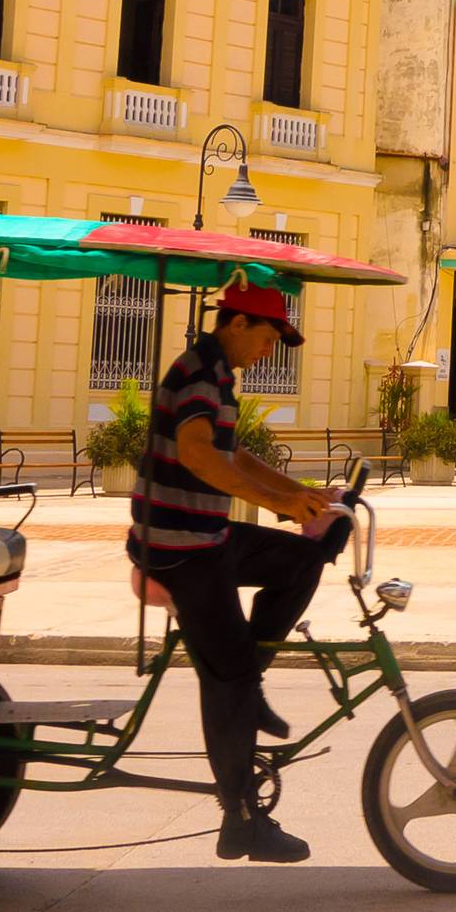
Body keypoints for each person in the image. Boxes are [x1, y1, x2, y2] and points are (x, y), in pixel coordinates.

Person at [127, 282, 353, 862]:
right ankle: (241, 821)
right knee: (225, 680)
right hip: (178, 548)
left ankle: (248, 683)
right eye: (268, 338)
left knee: (304, 559)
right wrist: (281, 505)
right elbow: (199, 454)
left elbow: (235, 458)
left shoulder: (220, 374)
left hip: (210, 538)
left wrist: (300, 494)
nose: (270, 352)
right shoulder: (200, 372)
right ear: (236, 324)